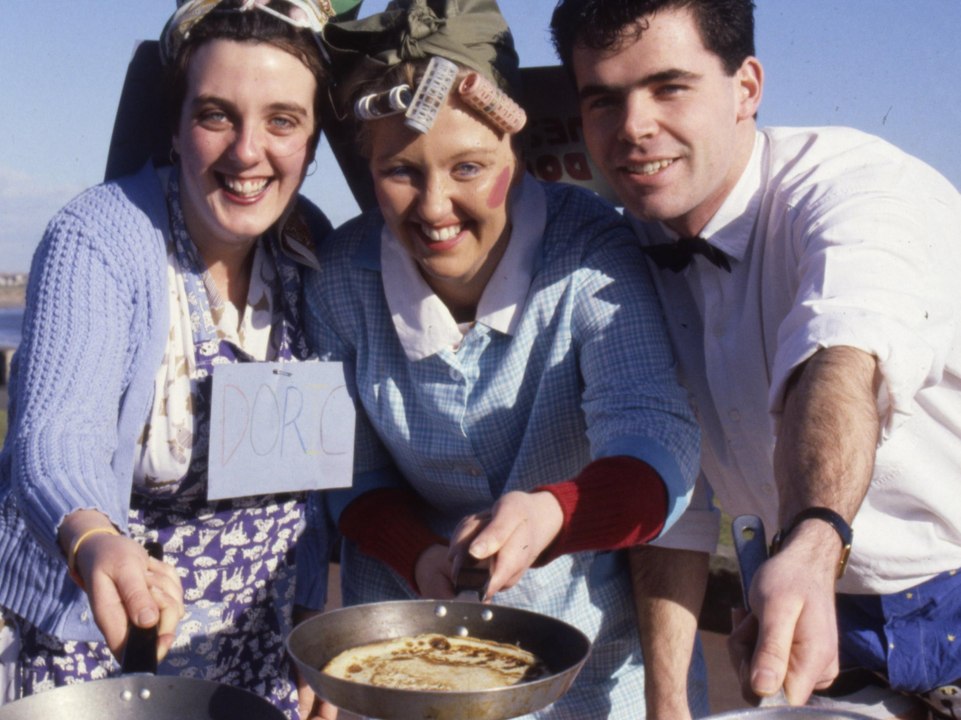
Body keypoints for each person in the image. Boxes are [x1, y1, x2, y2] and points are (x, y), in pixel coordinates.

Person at [549, 1, 961, 718]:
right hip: (804, 618)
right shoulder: (627, 246)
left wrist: (809, 540)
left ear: (745, 87)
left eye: (668, 87)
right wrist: (667, 701)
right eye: (603, 99)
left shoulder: (855, 189)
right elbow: (679, 501)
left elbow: (840, 362)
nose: (634, 126)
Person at [303, 0, 709, 716]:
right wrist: (416, 552)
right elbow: (349, 473)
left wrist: (554, 514)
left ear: (516, 155)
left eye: (468, 167)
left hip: (579, 665)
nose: (435, 207)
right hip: (395, 659)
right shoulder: (340, 277)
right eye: (399, 171)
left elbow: (657, 442)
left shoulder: (589, 251)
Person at [0, 2, 348, 718]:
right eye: (216, 115)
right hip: (110, 635)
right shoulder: (102, 236)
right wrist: (94, 539)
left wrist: (321, 619)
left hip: (266, 643)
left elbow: (317, 481)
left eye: (282, 121)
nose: (247, 151)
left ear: (312, 145)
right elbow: (54, 435)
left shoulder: (310, 248)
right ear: (175, 126)